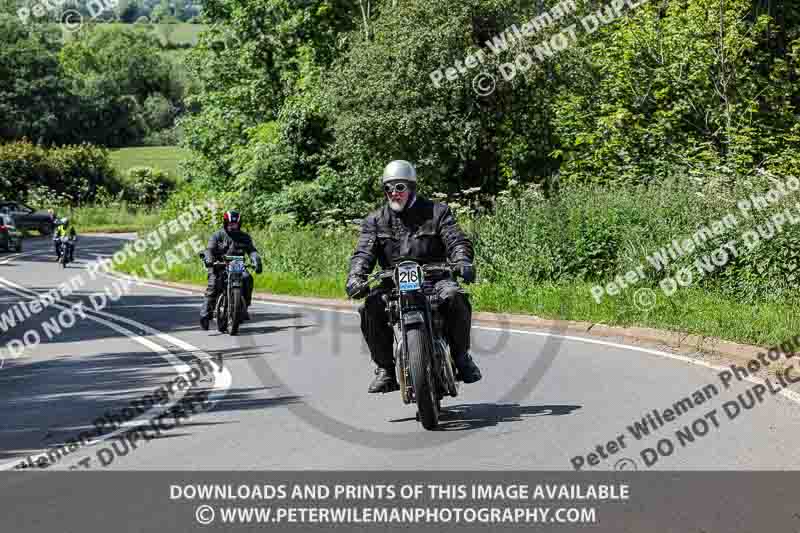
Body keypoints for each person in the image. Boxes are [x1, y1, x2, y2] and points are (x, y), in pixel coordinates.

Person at [345, 160, 482, 393]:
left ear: (411, 187)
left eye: (399, 187)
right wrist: (356, 276)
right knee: (370, 306)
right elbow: (364, 252)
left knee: (454, 296)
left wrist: (462, 260)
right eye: (388, 188)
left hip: (435, 278)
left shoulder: (437, 212)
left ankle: (461, 357)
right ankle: (386, 369)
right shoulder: (376, 220)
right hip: (393, 283)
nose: (394, 193)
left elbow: (456, 239)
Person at [200, 210, 263, 330]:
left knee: (247, 278)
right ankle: (205, 314)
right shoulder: (217, 235)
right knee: (213, 285)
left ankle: (244, 307)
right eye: (230, 224)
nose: (233, 226)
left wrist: (256, 260)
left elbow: (252, 251)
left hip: (237, 265)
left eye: (235, 224)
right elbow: (209, 249)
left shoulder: (244, 237)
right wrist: (209, 260)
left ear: (239, 224)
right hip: (219, 264)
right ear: (225, 223)